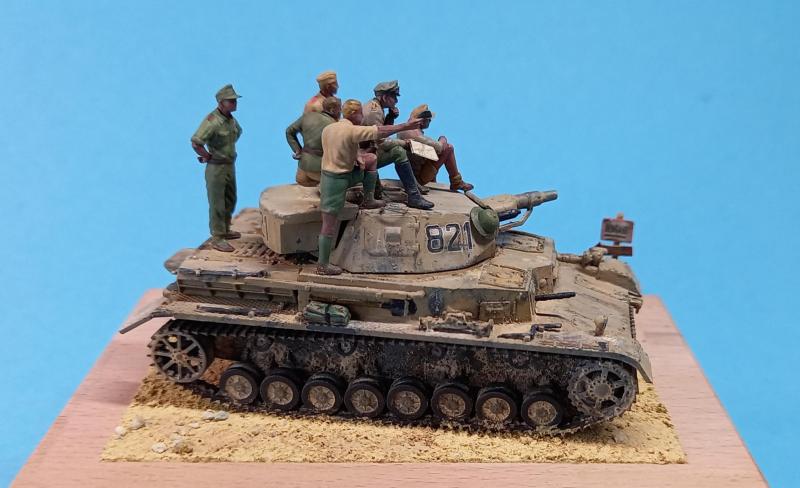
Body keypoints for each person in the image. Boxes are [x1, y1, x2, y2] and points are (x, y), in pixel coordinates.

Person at [317, 99, 423, 275]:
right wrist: (405, 126)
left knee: (372, 159)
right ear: (354, 114)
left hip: (346, 173)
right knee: (328, 225)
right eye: (360, 113)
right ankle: (322, 265)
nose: (362, 116)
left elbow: (338, 147)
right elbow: (380, 131)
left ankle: (369, 199)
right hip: (335, 180)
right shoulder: (352, 130)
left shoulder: (329, 128)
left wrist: (357, 156)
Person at [362, 80, 434, 210]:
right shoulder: (375, 112)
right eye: (394, 97)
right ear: (385, 97)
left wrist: (390, 117)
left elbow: (381, 132)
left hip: (367, 150)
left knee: (399, 149)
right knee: (398, 152)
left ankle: (414, 189)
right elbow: (381, 142)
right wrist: (404, 143)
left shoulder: (375, 107)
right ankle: (414, 195)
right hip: (365, 154)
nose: (396, 101)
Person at [190, 84, 243, 253]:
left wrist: (226, 150)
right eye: (231, 101)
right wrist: (207, 155)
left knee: (230, 199)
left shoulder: (230, 119)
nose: (235, 103)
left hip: (229, 165)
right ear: (221, 102)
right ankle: (217, 237)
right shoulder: (212, 121)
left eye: (235, 100)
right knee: (217, 203)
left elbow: (237, 132)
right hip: (216, 167)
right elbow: (196, 142)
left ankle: (225, 229)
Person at [398, 104, 474, 191]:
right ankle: (456, 182)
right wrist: (443, 138)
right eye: (428, 120)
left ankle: (434, 180)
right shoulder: (415, 134)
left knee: (430, 152)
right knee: (448, 148)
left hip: (410, 171)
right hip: (416, 178)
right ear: (421, 121)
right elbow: (440, 147)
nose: (430, 121)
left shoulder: (405, 129)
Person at [286, 96, 341, 186]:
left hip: (303, 168)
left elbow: (289, 131)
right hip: (320, 170)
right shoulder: (334, 125)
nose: (340, 112)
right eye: (339, 109)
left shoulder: (307, 117)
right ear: (332, 110)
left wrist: (297, 150)